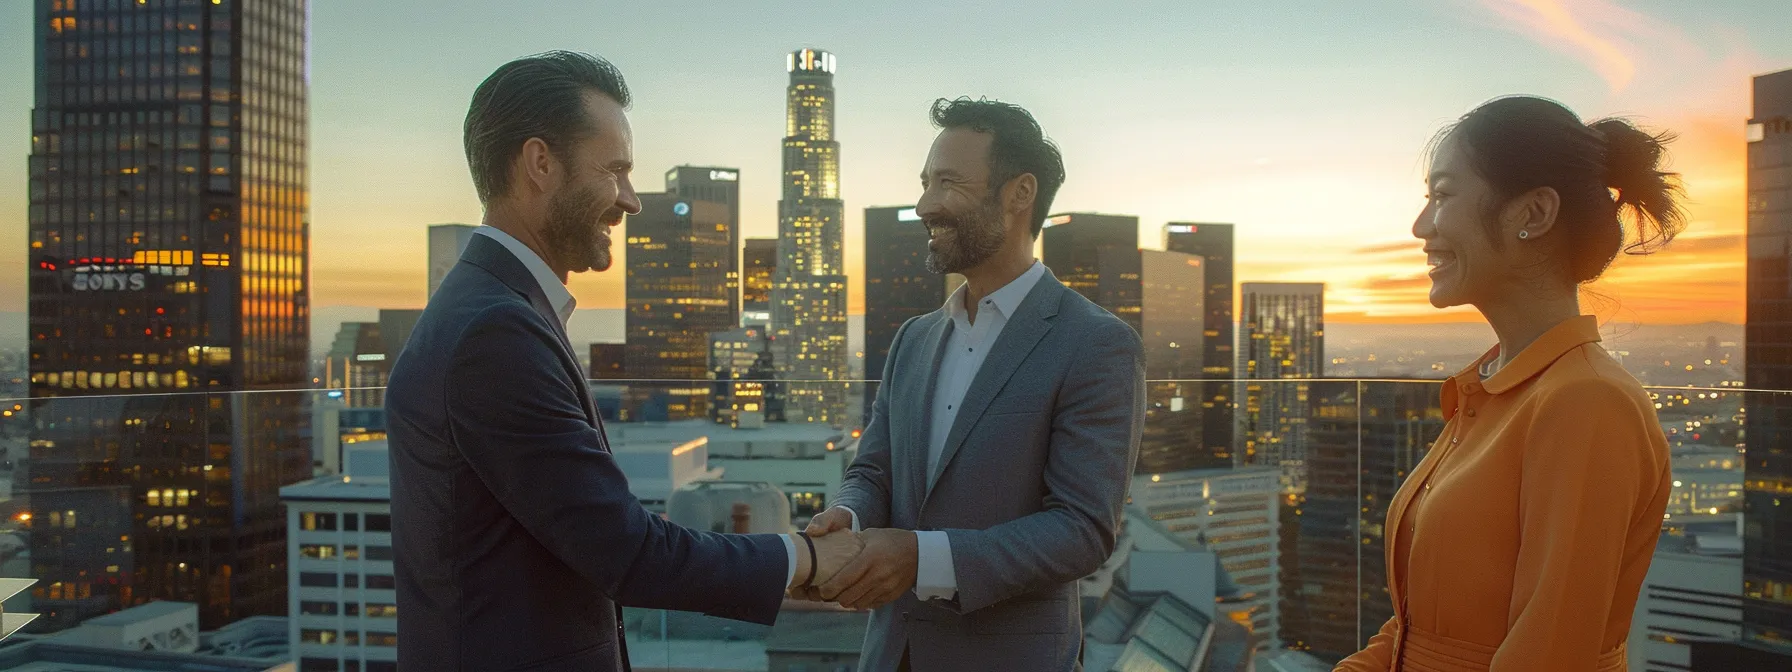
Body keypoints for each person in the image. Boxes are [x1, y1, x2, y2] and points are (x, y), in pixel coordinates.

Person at [385, 51, 861, 672]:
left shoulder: (489, 307)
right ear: (540, 163)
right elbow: (628, 554)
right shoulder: (494, 331)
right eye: (614, 171)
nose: (631, 201)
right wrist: (810, 558)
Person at [1335, 96, 1681, 672]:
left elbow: (1547, 655)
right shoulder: (1492, 391)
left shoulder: (1586, 402)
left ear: (1533, 214)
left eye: (1443, 195)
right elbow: (1418, 632)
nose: (1421, 227)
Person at [800, 97, 1146, 671]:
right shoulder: (915, 337)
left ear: (1019, 194)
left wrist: (920, 558)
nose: (924, 204)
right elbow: (874, 470)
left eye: (947, 183)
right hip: (890, 655)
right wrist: (849, 519)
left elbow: (1082, 529)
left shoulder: (1095, 344)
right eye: (925, 182)